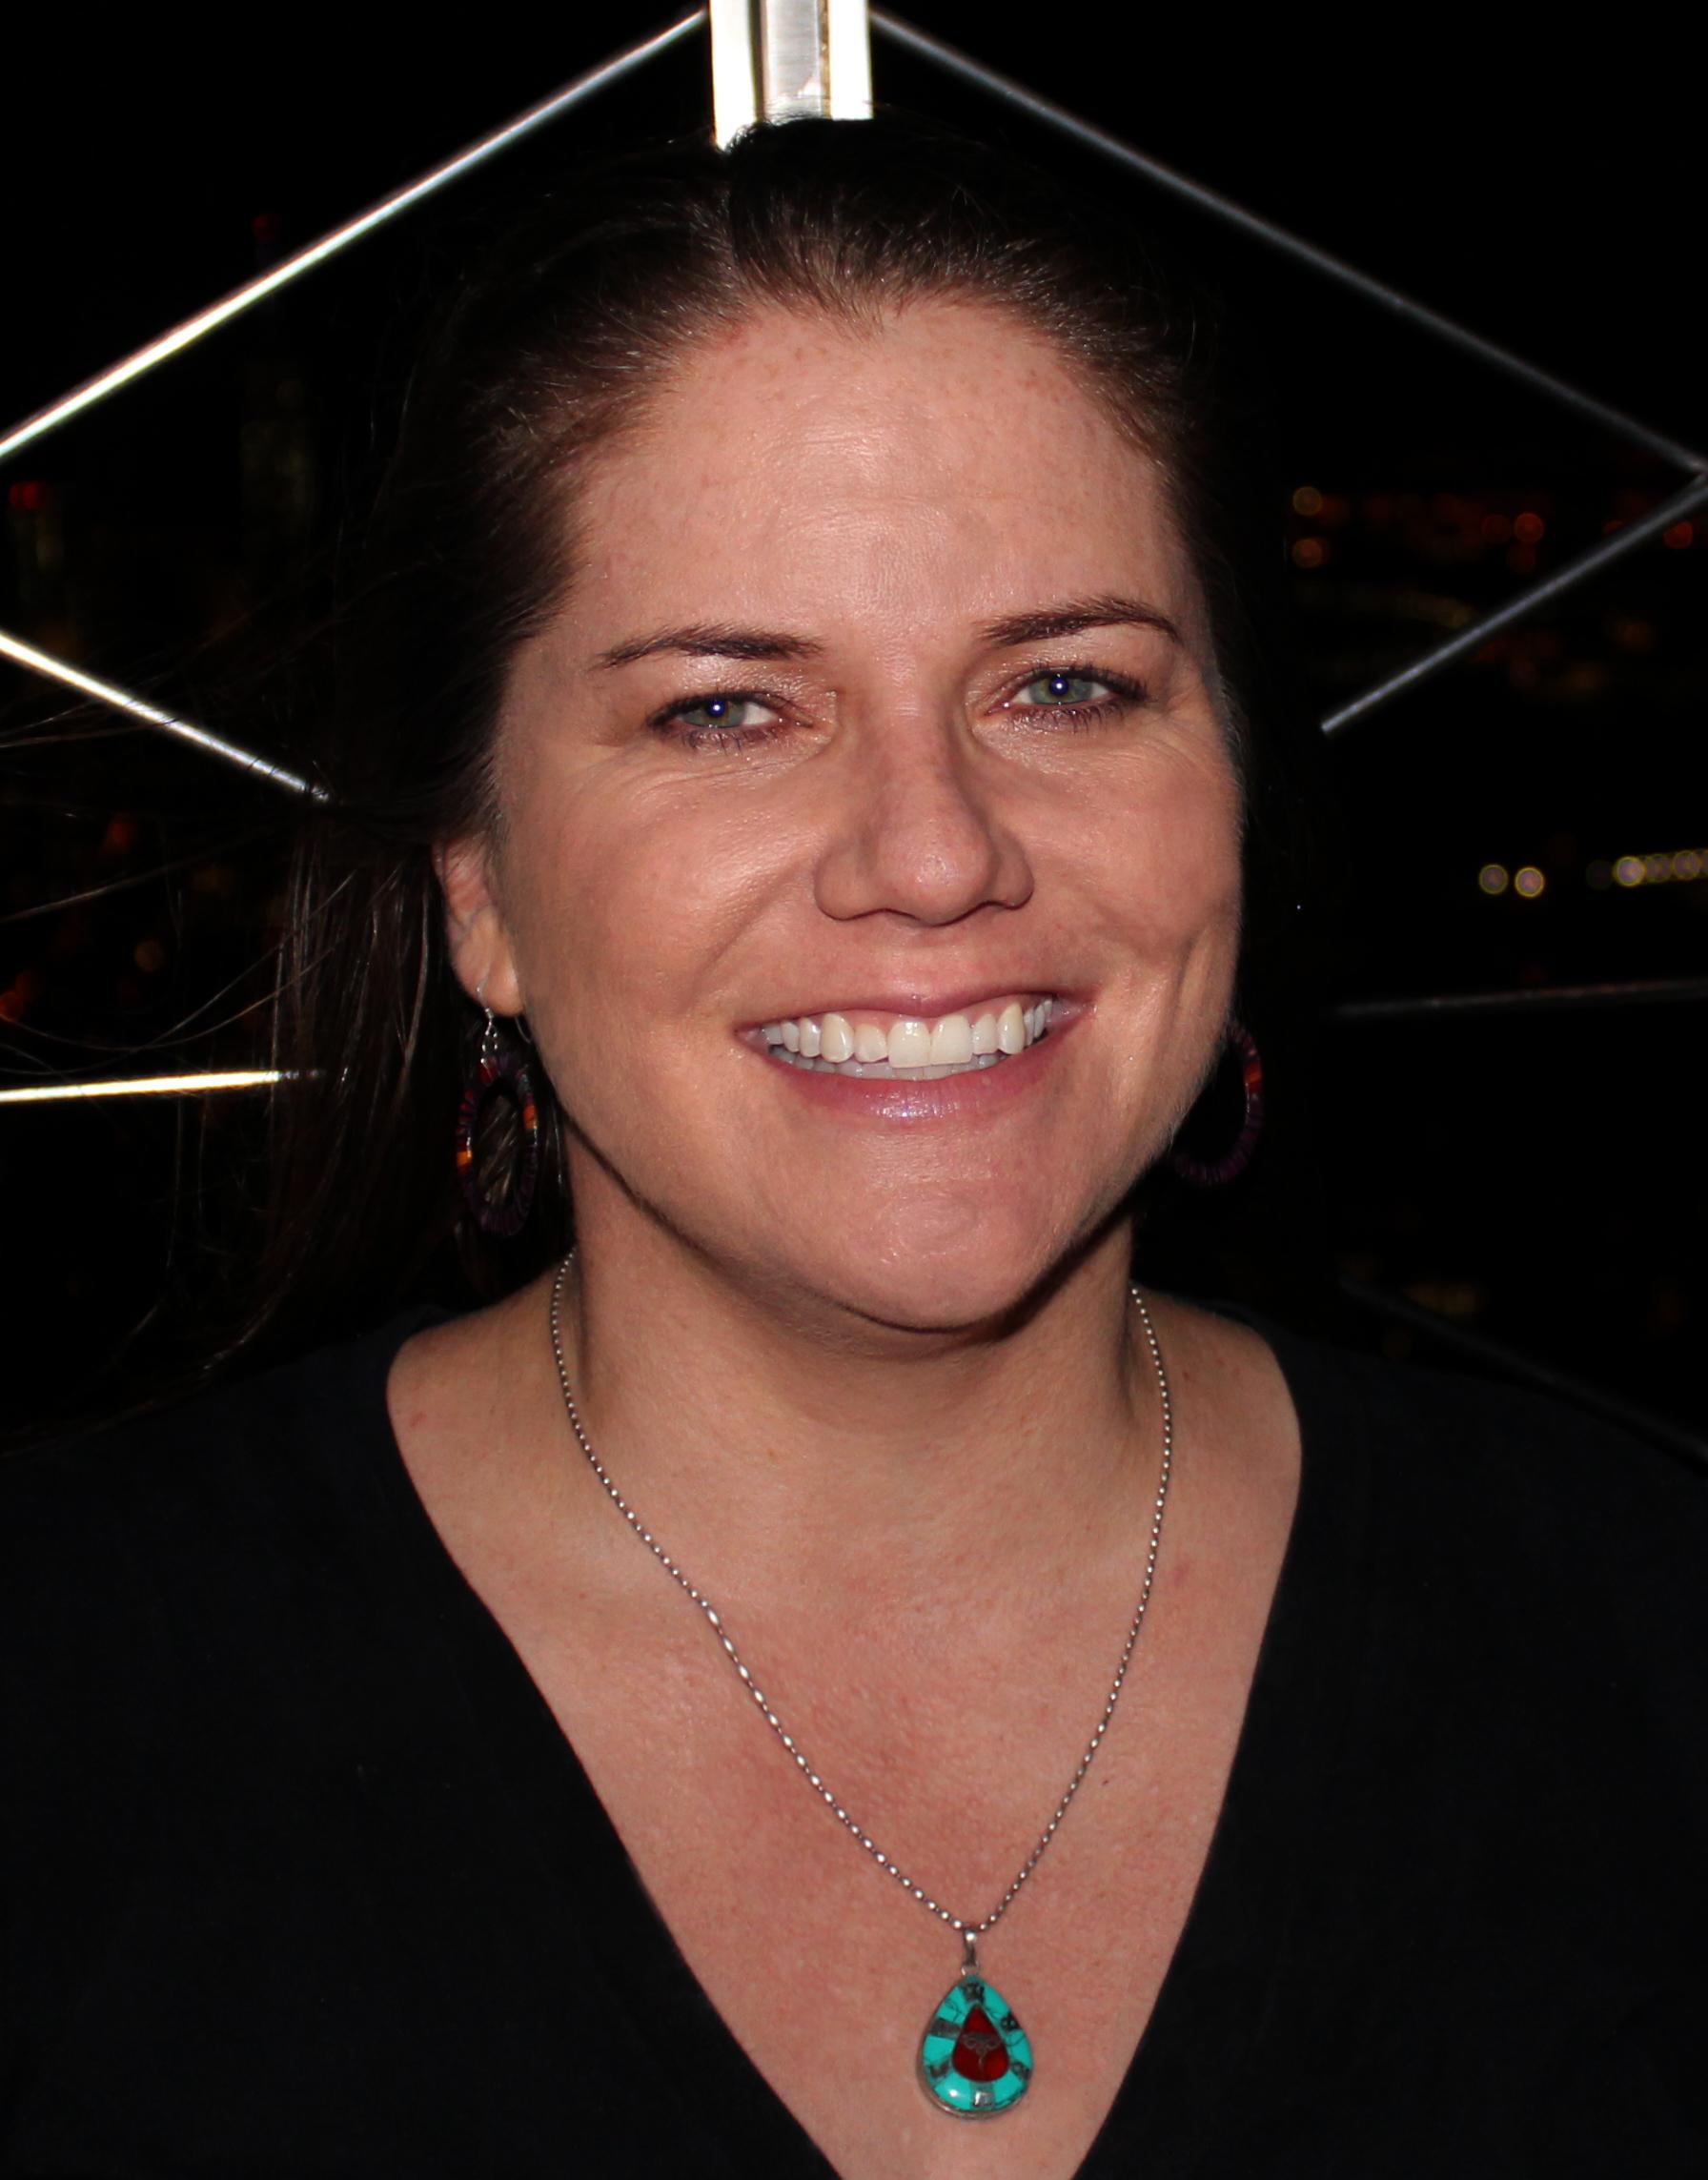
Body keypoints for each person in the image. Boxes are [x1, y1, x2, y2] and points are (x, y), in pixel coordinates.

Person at [2, 118, 1703, 2180]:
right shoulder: (73, 1709)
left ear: (1238, 795)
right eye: (727, 709)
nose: (932, 852)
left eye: (1065, 685)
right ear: (475, 880)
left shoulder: (1635, 1632)